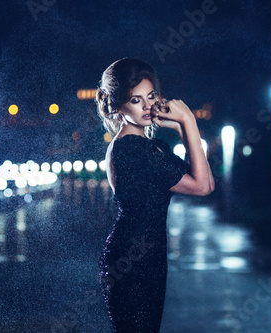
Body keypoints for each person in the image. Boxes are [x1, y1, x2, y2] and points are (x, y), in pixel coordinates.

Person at [95, 57, 215, 332]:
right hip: (132, 260)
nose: (147, 106)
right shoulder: (135, 150)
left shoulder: (150, 147)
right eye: (136, 100)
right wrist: (189, 120)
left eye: (150, 96)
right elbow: (203, 187)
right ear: (118, 106)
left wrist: (180, 127)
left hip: (147, 256)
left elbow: (205, 179)